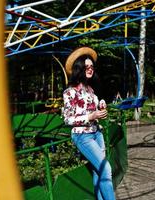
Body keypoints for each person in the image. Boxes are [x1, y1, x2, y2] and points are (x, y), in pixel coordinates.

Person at [62, 47, 116, 200]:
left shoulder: (91, 90)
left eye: (92, 66)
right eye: (87, 67)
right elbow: (68, 119)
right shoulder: (70, 92)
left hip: (97, 133)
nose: (90, 69)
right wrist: (91, 115)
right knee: (106, 169)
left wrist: (101, 107)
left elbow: (94, 110)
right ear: (79, 68)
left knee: (98, 171)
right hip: (82, 137)